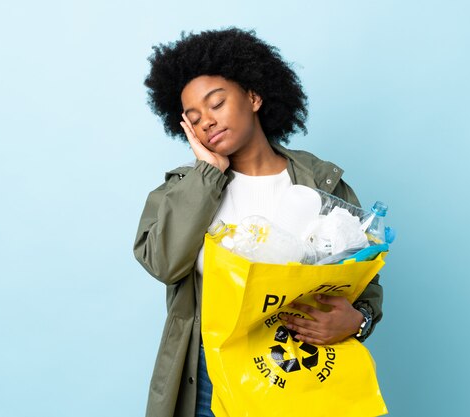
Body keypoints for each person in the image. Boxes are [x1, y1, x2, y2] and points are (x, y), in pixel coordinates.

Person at [134, 27, 383, 417]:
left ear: (253, 96)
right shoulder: (185, 190)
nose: (207, 123)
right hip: (210, 380)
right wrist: (208, 175)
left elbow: (364, 281)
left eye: (216, 104)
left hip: (301, 371)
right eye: (194, 118)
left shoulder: (321, 182)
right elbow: (164, 264)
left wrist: (358, 321)